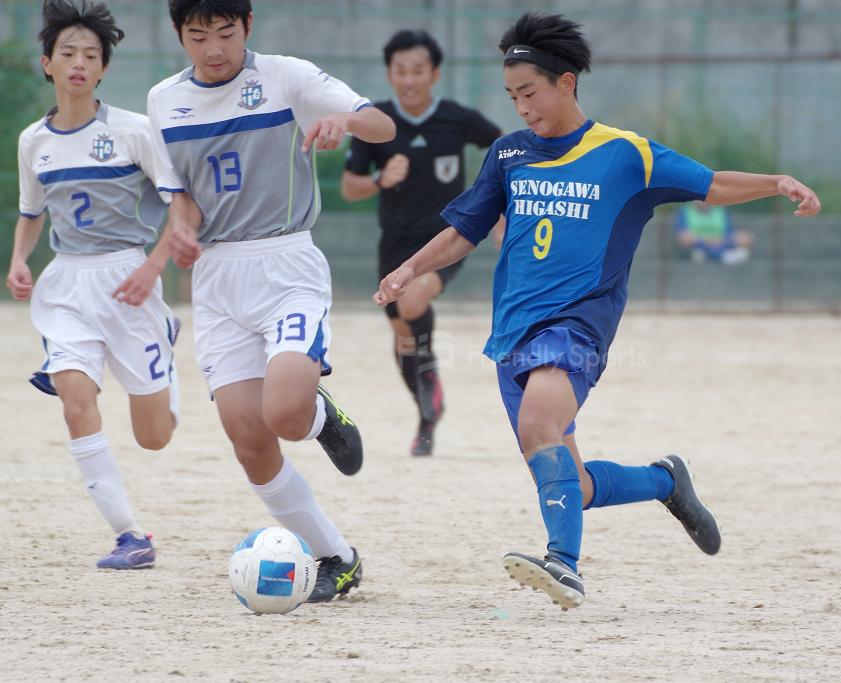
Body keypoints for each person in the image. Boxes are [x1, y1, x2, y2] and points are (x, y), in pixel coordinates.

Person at [375, 12, 821, 609]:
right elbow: (465, 231)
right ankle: (666, 481)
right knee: (573, 485)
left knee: (539, 425)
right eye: (512, 96)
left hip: (579, 323)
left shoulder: (624, 153)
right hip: (513, 334)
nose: (522, 107)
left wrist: (776, 182)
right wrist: (409, 269)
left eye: (529, 92)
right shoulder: (508, 155)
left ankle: (564, 565)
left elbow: (711, 184)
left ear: (566, 83)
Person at [150, 0, 395, 602]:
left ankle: (319, 414)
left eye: (225, 33)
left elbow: (382, 124)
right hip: (215, 278)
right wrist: (180, 228)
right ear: (180, 35)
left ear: (248, 28)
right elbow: (179, 195)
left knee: (285, 415)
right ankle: (337, 557)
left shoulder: (286, 77)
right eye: (198, 35)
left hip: (286, 264)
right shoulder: (163, 101)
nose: (213, 49)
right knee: (248, 437)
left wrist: (347, 122)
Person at [6, 0, 185, 570]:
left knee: (154, 437)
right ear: (47, 64)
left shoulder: (135, 131)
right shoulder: (34, 141)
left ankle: (165, 335)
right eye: (68, 53)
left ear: (104, 69)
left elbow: (181, 207)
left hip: (128, 279)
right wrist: (19, 260)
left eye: (91, 54)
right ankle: (130, 536)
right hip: (67, 287)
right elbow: (32, 210)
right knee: (75, 402)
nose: (79, 62)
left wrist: (154, 265)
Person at [342, 30, 502, 456]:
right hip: (394, 241)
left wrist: (498, 206)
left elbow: (503, 148)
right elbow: (349, 187)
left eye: (418, 70)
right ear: (390, 74)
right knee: (401, 334)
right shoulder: (375, 123)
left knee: (413, 301)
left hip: (447, 237)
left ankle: (428, 379)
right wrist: (379, 179)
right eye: (401, 71)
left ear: (434, 73)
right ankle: (426, 413)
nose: (409, 79)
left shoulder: (457, 118)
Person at [675, 200, 753, 264]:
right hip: (699, 248)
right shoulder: (685, 212)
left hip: (721, 245)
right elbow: (684, 238)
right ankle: (722, 257)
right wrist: (707, 240)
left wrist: (719, 241)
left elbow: (729, 233)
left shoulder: (721, 210)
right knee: (696, 251)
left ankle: (722, 255)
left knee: (745, 240)